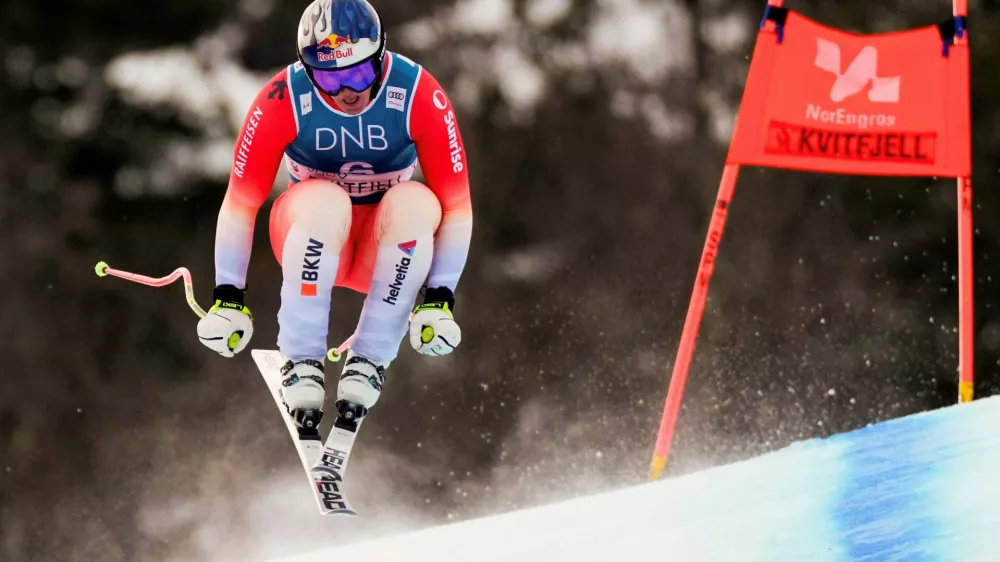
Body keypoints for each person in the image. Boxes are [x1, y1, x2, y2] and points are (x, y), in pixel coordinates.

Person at [195, 0, 473, 430]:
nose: (347, 91)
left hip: (382, 251)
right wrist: (228, 298)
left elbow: (456, 205)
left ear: (381, 56)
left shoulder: (418, 92)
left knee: (418, 202)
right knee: (326, 200)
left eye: (359, 73)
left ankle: (370, 360)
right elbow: (240, 203)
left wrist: (439, 300)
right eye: (328, 77)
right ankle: (302, 361)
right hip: (311, 235)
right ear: (308, 70)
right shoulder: (283, 97)